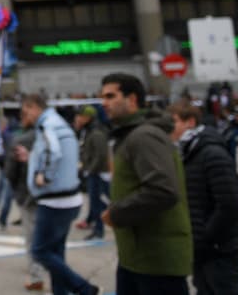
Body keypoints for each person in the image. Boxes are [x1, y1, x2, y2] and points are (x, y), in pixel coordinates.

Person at [99, 73, 192, 295]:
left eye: (111, 96)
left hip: (156, 261)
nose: (104, 103)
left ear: (132, 100)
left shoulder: (144, 136)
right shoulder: (131, 135)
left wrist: (116, 213)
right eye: (102, 97)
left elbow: (162, 190)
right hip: (138, 256)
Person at [18, 93, 99, 295]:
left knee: (40, 250)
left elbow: (54, 152)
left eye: (25, 110)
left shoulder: (48, 125)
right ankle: (62, 292)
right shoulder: (59, 123)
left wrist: (44, 175)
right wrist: (33, 159)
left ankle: (83, 288)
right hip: (68, 199)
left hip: (55, 201)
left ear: (33, 106)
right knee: (56, 252)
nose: (24, 115)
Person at [169, 102, 238, 295]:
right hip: (202, 248)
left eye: (174, 122)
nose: (170, 128)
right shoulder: (187, 153)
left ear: (190, 122)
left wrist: (205, 237)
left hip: (220, 247)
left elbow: (229, 205)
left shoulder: (211, 153)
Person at [6, 125, 48, 290]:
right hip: (48, 196)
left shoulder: (19, 140)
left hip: (27, 195)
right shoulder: (50, 137)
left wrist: (17, 190)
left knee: (32, 237)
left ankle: (37, 275)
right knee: (47, 237)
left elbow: (10, 172)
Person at [72, 105, 109, 239]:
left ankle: (99, 230)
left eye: (80, 115)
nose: (77, 118)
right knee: (97, 202)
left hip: (97, 173)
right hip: (93, 172)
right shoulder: (88, 131)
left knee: (98, 202)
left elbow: (100, 155)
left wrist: (90, 170)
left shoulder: (96, 132)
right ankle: (94, 224)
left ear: (88, 117)